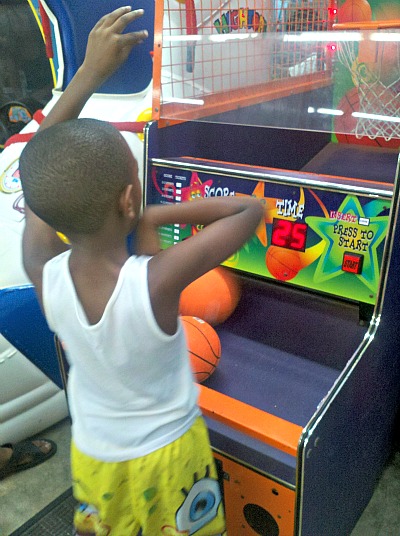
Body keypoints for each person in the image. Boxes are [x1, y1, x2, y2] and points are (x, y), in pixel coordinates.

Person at [19, 6, 264, 535]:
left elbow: (36, 166)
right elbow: (250, 210)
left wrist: (87, 76)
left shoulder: (41, 267)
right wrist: (159, 214)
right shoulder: (155, 281)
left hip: (94, 456)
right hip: (169, 457)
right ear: (129, 200)